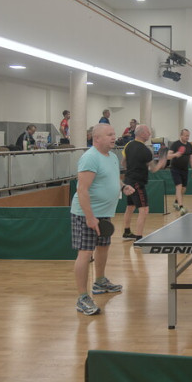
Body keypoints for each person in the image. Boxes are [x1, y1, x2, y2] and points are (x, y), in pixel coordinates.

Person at [71, 123, 130, 316]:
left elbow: (111, 179)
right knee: (85, 253)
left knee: (103, 247)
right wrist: (89, 217)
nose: (114, 137)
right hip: (86, 214)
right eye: (109, 134)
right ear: (96, 138)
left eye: (114, 133)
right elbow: (82, 189)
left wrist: (123, 187)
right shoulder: (90, 158)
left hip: (105, 213)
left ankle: (100, 282)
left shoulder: (112, 157)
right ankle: (82, 297)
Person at [121, 124, 166, 241]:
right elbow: (154, 169)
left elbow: (123, 163)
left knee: (130, 207)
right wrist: (162, 162)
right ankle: (139, 238)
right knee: (144, 210)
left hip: (128, 181)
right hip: (137, 183)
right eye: (147, 132)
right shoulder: (146, 151)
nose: (149, 134)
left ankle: (126, 232)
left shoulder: (128, 145)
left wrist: (132, 168)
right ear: (141, 134)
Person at [168, 128, 192, 214]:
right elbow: (168, 156)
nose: (187, 137)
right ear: (181, 135)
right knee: (179, 186)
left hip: (184, 169)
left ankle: (176, 202)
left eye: (188, 136)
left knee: (183, 189)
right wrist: (175, 154)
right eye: (186, 136)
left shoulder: (189, 145)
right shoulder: (175, 144)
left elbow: (191, 159)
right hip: (175, 169)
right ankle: (181, 207)